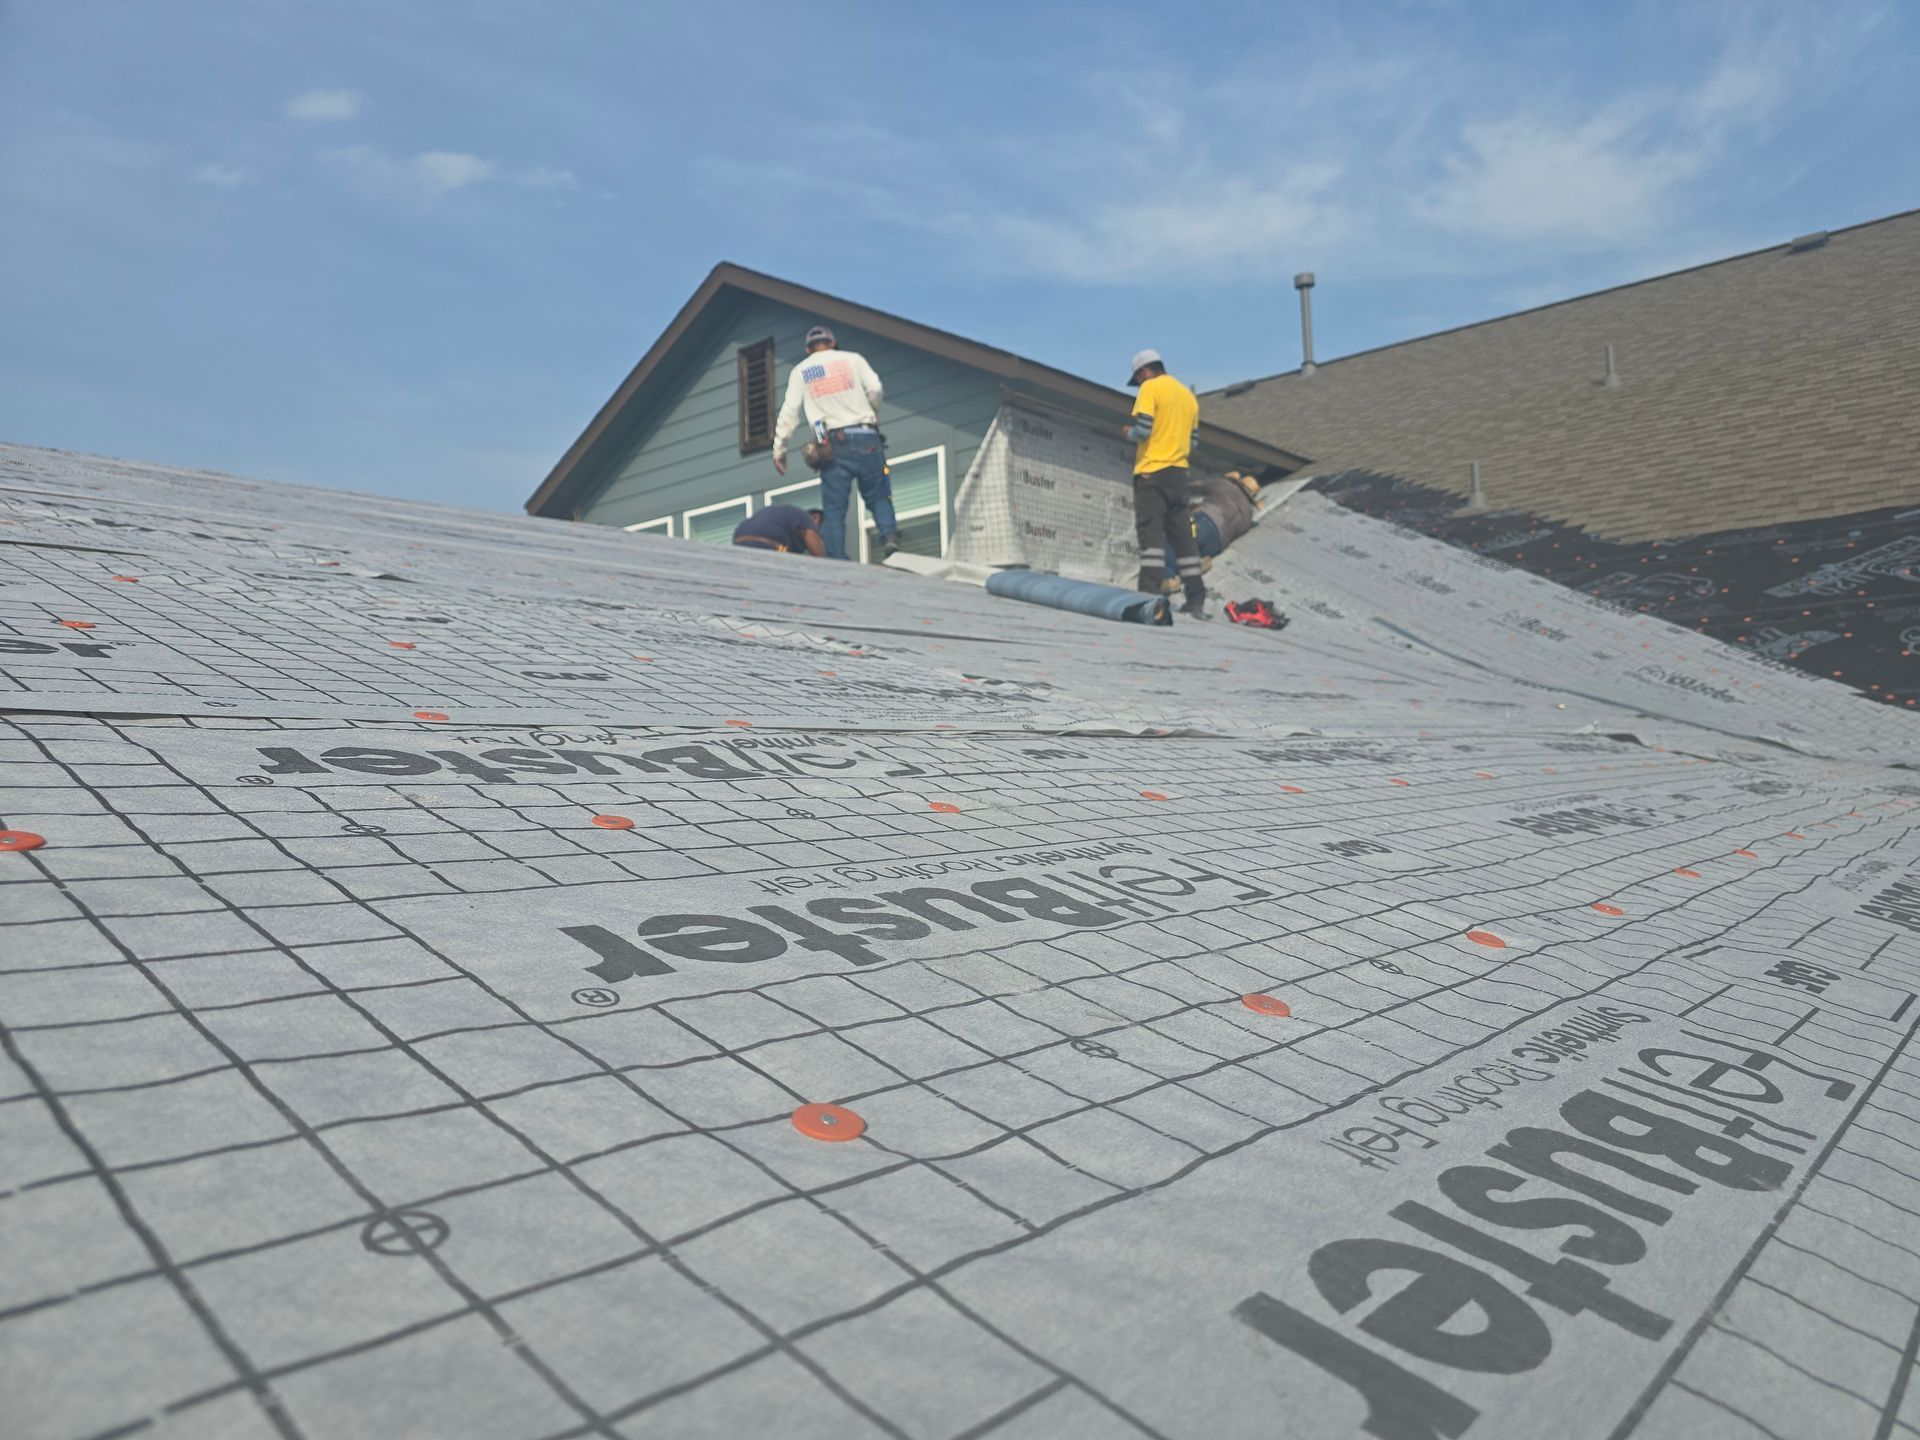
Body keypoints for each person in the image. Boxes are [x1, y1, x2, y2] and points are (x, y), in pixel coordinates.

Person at [771, 325, 899, 561]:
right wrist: (871, 413)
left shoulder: (801, 370)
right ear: (832, 343)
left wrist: (780, 449)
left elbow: (789, 412)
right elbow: (875, 388)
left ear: (807, 349)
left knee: (834, 508)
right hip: (866, 435)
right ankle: (889, 537)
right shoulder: (853, 359)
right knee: (878, 494)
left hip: (831, 444)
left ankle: (835, 557)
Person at [1123, 349, 1205, 617]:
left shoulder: (1150, 388)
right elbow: (1192, 444)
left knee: (1152, 537)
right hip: (1179, 475)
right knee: (1184, 539)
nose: (1139, 384)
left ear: (1144, 372)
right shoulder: (1188, 398)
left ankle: (1147, 597)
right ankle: (1195, 598)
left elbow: (1143, 429)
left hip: (1152, 473)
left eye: (1137, 379)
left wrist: (1129, 433)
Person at [1161, 469, 1258, 584]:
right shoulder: (1248, 514)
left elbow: (1196, 486)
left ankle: (1168, 578)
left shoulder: (1226, 485)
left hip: (1204, 522)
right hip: (1218, 544)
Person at [732, 504, 826, 556]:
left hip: (739, 541)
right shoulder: (806, 519)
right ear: (815, 518)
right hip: (767, 544)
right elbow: (817, 553)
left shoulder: (787, 516)